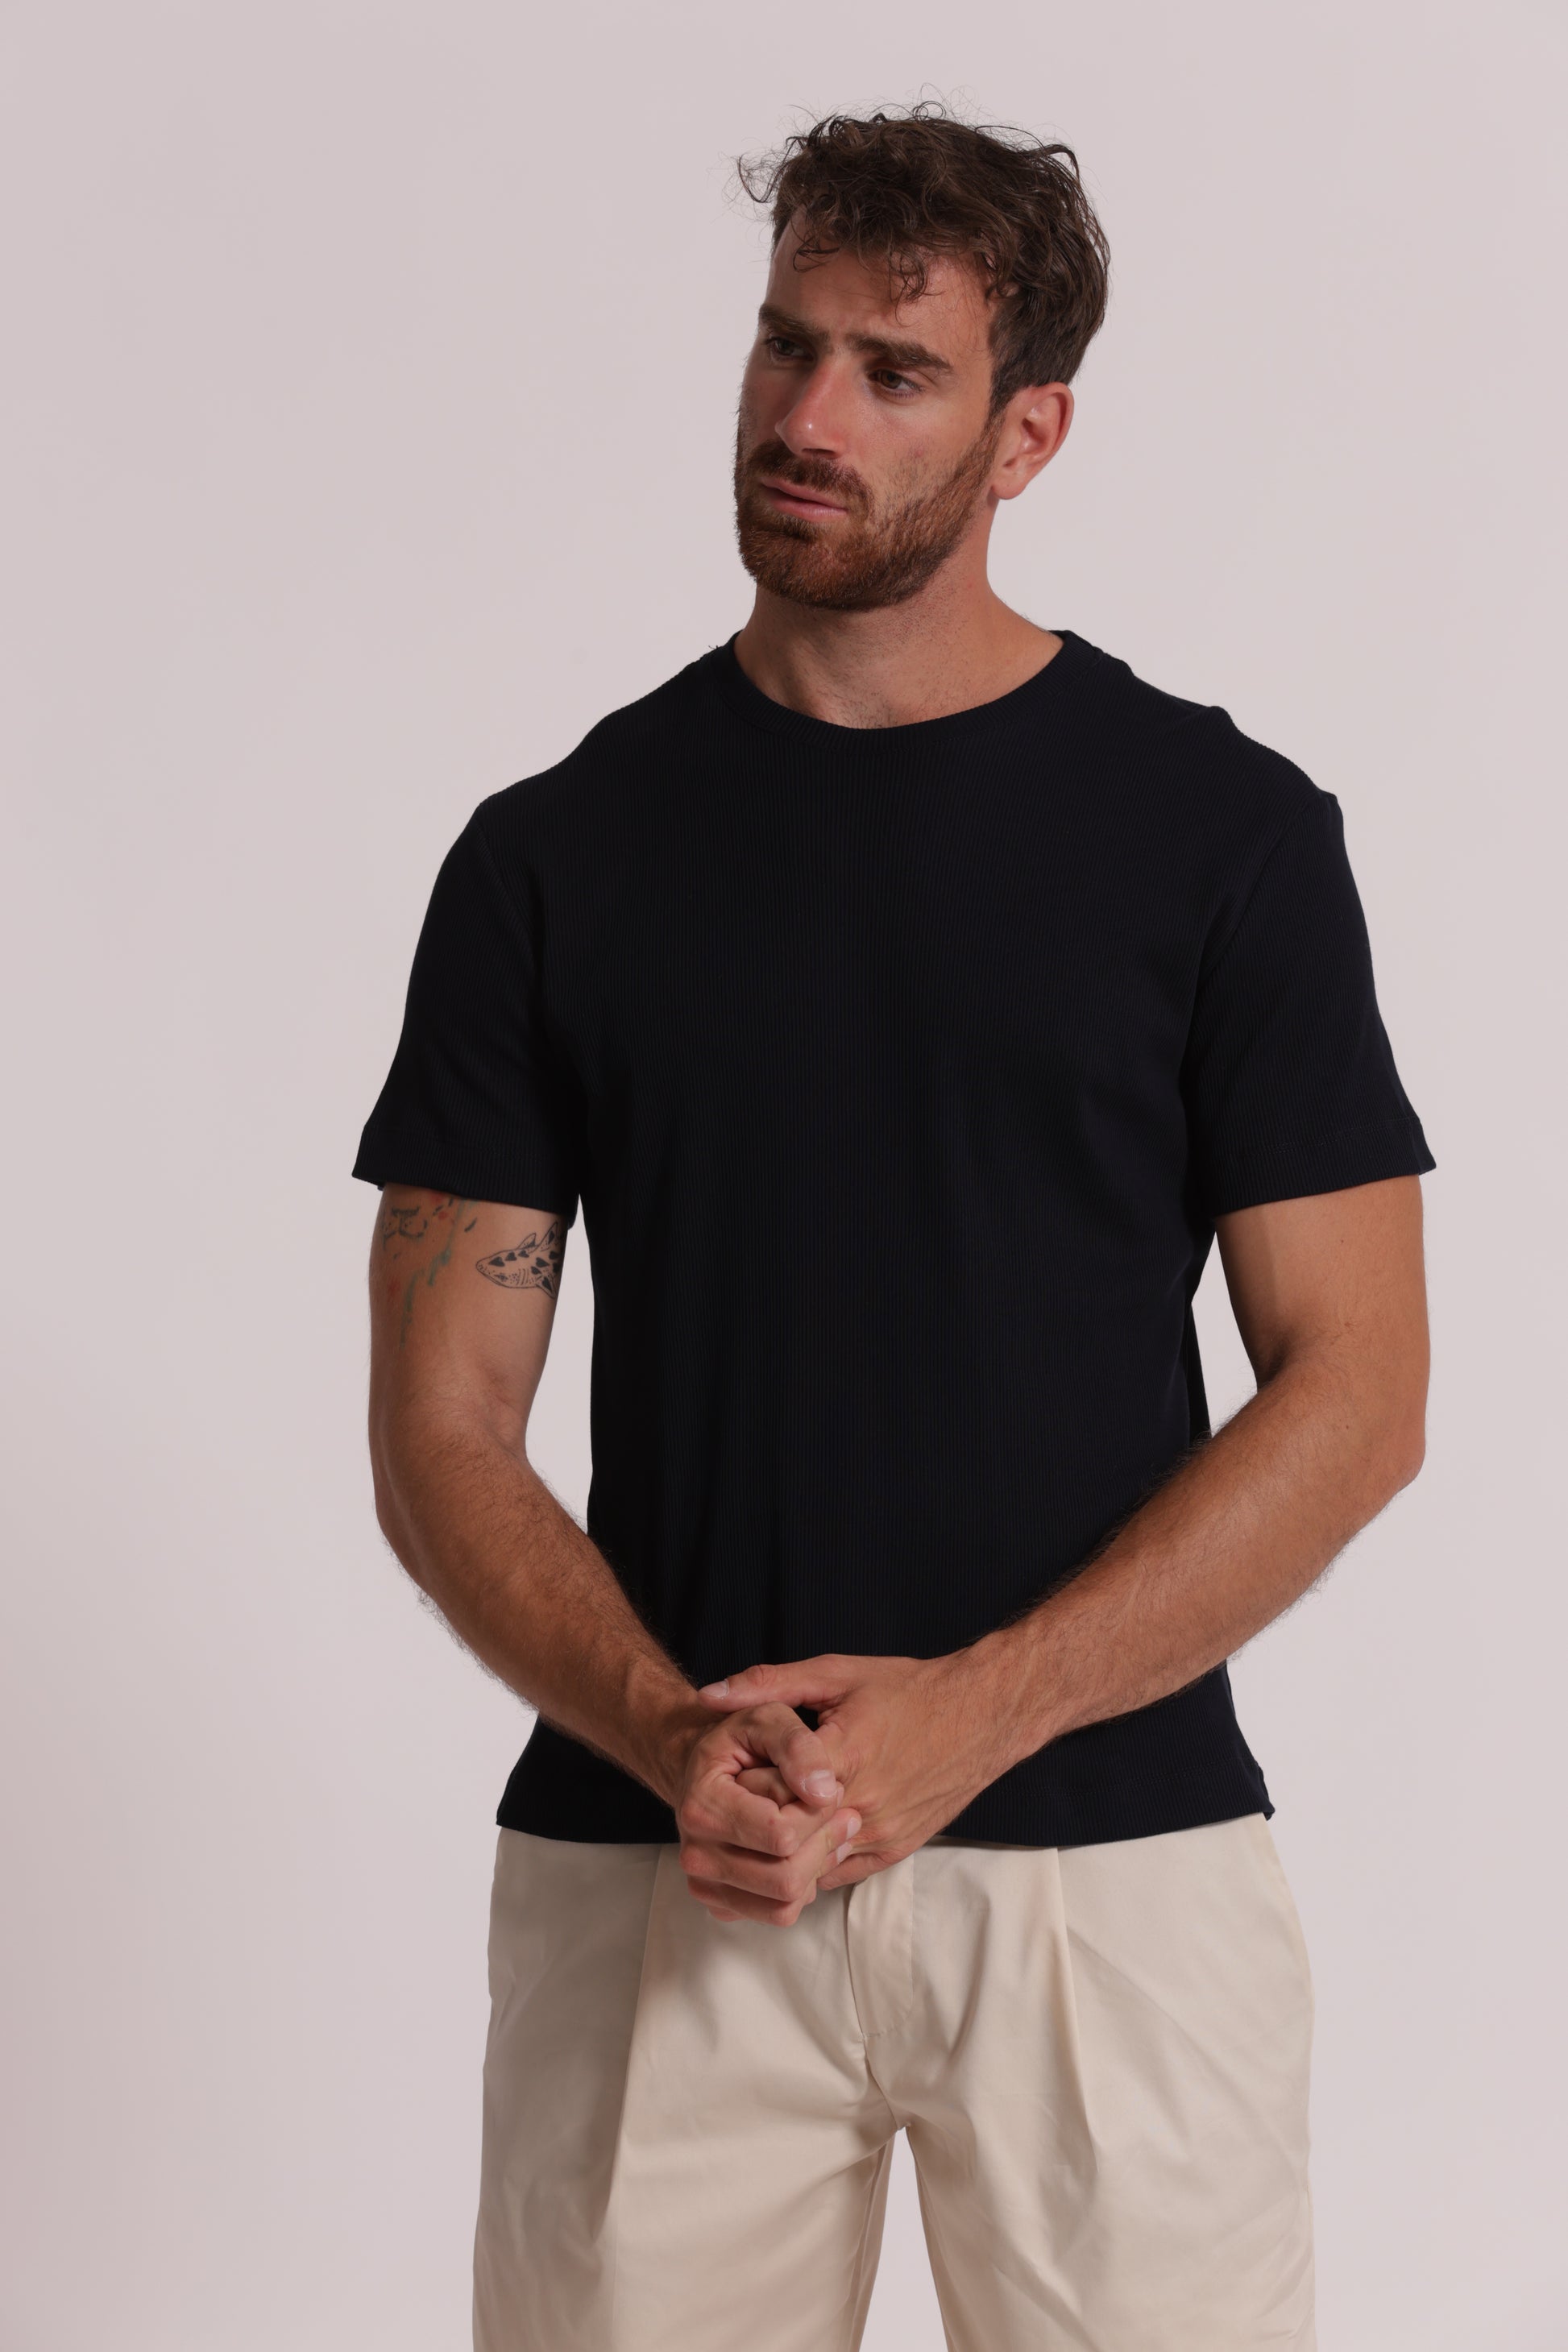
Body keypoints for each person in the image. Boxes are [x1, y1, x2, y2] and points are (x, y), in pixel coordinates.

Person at [353, 104, 1433, 2352]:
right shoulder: (550, 859)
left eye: (894, 370)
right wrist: (671, 1736)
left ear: (1029, 432)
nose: (807, 418)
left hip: (1109, 1874)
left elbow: (1359, 1387)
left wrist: (977, 1716)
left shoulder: (1223, 838)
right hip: (659, 1860)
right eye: (786, 345)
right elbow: (443, 1423)